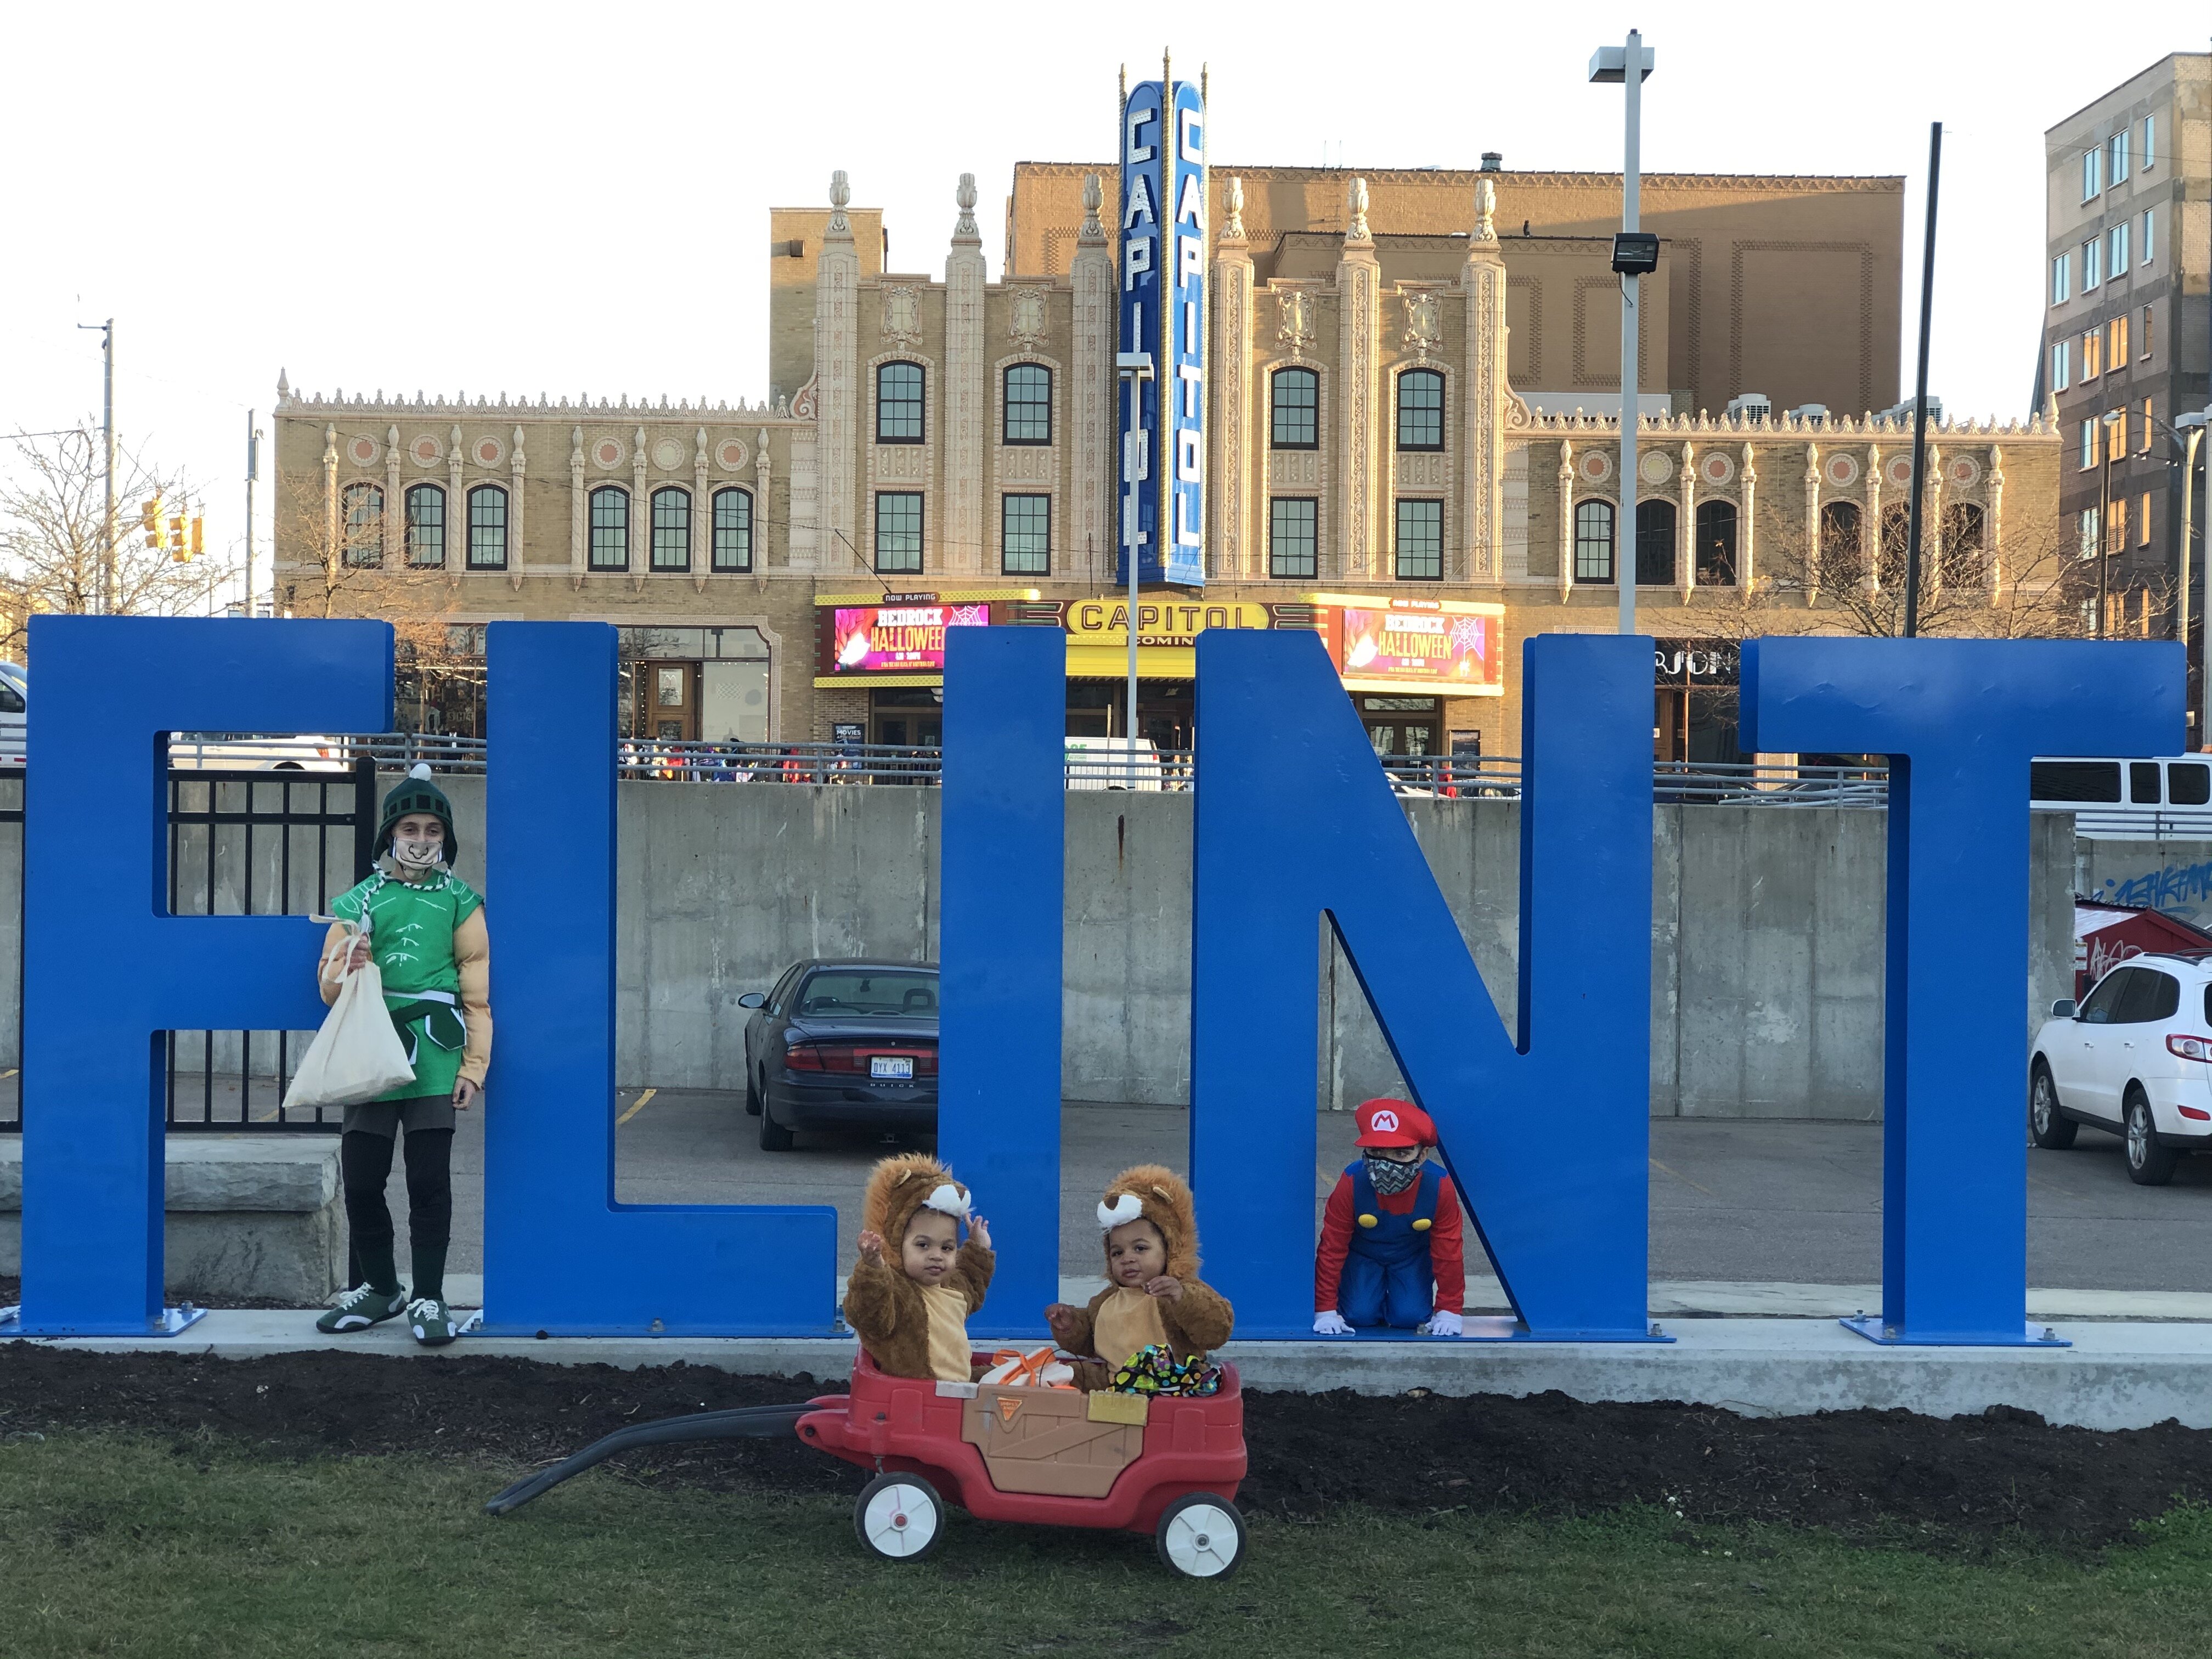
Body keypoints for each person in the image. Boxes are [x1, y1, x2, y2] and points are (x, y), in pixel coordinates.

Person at [313, 764, 490, 1347]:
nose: (420, 839)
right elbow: (327, 983)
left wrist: (474, 1067)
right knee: (362, 1181)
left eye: (433, 830)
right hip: (370, 1052)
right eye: (409, 827)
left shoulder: (462, 901)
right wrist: (347, 966)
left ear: (446, 839)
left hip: (436, 1057)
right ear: (389, 834)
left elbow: (476, 987)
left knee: (429, 1183)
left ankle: (430, 1296)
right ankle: (383, 1288)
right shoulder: (359, 900)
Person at [1046, 1165, 1233, 1393]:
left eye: (1140, 1248)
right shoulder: (1107, 1301)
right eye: (1118, 1252)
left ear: (1169, 1248)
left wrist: (1182, 1299)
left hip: (1172, 1389)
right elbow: (1089, 1342)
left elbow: (1215, 1332)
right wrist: (1070, 1326)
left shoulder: (1179, 1291)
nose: (1128, 1259)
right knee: (1061, 1375)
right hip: (1115, 1384)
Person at [1313, 1098, 1465, 1337]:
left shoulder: (1439, 1187)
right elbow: (1332, 1248)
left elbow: (1449, 1252)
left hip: (1411, 1258)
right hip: (1363, 1255)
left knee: (1410, 1316)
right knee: (1358, 1315)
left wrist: (1449, 1309)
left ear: (1423, 1155)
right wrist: (1325, 1310)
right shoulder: (1352, 1183)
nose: (1386, 1163)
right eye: (1376, 1151)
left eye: (1402, 1153)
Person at [843, 1153, 994, 1381]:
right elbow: (870, 1317)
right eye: (923, 1245)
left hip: (958, 1387)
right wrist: (873, 1269)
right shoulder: (898, 1291)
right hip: (920, 1395)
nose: (937, 1256)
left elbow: (973, 1282)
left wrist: (978, 1248)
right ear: (896, 1244)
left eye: (947, 1248)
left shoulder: (953, 1285)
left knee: (1023, 1382)